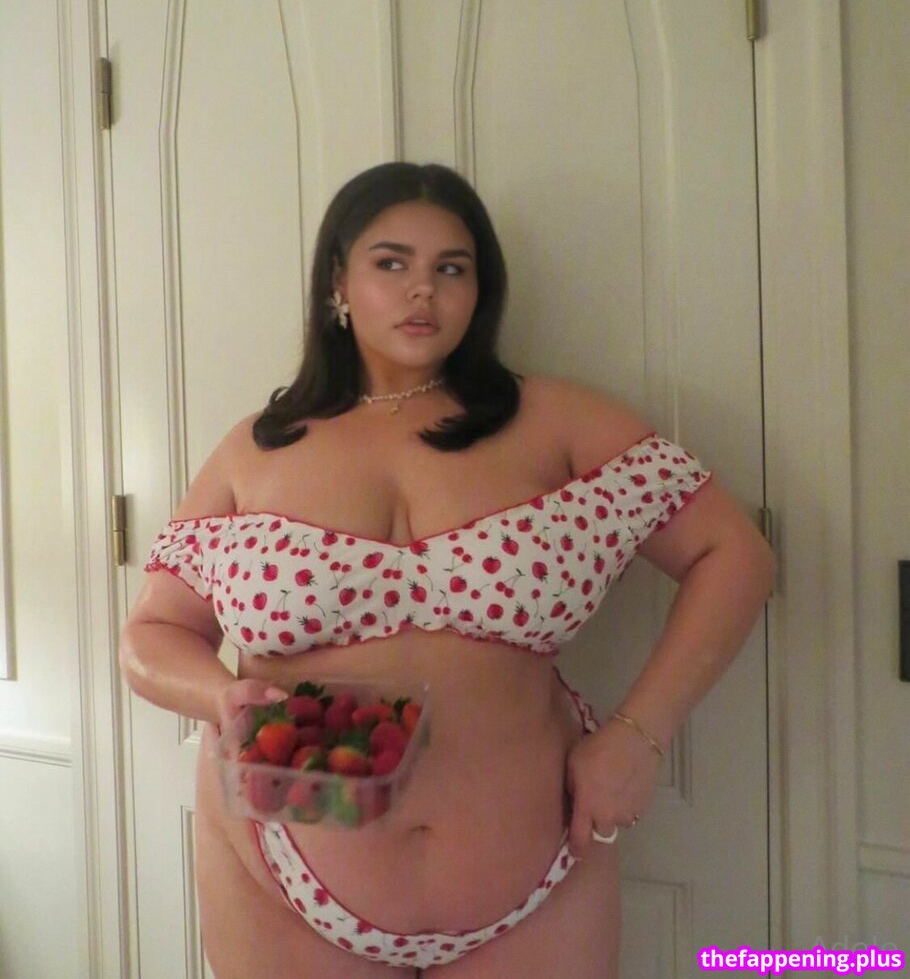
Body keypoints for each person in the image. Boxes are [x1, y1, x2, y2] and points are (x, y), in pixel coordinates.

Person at [120, 161, 775, 978]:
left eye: (452, 268)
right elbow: (152, 633)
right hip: (281, 867)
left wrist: (638, 738)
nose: (422, 290)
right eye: (391, 263)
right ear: (338, 282)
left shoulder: (561, 421)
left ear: (481, 289)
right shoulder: (254, 449)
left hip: (540, 875)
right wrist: (218, 696)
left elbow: (735, 556)